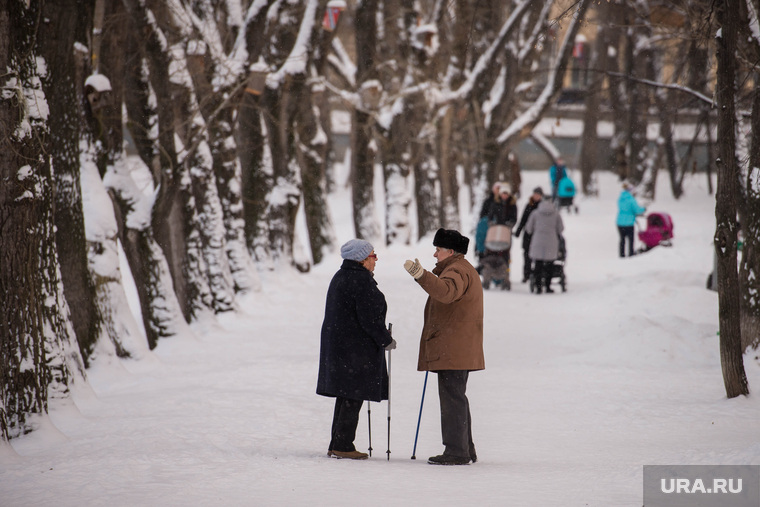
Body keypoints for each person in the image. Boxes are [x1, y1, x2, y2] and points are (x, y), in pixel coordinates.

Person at [403, 229, 485, 465]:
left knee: (452, 400)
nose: (434, 254)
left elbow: (446, 292)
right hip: (457, 347)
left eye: (438, 249)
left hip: (454, 348)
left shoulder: (457, 270)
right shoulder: (460, 268)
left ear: (451, 251)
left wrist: (421, 275)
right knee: (456, 397)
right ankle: (465, 449)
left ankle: (457, 452)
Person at [317, 239, 396, 460]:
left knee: (345, 395)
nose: (376, 259)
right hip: (355, 350)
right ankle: (343, 445)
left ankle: (337, 443)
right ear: (362, 259)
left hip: (342, 347)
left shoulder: (341, 276)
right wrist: (385, 340)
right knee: (353, 395)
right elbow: (370, 319)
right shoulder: (360, 281)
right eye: (373, 255)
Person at [525, 199, 564, 294]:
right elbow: (560, 228)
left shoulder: (535, 213)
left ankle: (538, 287)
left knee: (538, 264)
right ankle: (547, 286)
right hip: (551, 241)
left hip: (538, 241)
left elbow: (529, 228)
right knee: (550, 264)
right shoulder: (556, 214)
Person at [483, 183, 518, 288]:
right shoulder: (495, 204)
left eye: (506, 194)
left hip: (506, 233)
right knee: (491, 253)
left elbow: (514, 217)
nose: (504, 196)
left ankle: (505, 278)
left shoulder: (512, 205)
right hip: (495, 232)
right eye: (503, 194)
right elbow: (490, 215)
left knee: (505, 255)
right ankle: (488, 277)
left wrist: (510, 223)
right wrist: (491, 223)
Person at [514, 186, 543, 283]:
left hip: (539, 235)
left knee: (538, 256)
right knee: (527, 255)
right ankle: (527, 274)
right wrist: (518, 231)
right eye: (535, 194)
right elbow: (523, 219)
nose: (536, 196)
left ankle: (537, 274)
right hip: (528, 235)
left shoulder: (543, 206)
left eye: (538, 194)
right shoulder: (529, 205)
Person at [616, 181, 646, 257]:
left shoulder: (620, 198)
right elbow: (637, 210)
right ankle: (630, 254)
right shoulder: (631, 199)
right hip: (629, 223)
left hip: (619, 222)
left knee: (622, 240)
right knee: (630, 240)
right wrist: (644, 209)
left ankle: (622, 255)